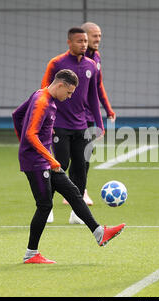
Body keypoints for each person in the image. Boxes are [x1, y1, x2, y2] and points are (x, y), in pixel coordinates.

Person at [12, 69, 124, 264]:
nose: (69, 97)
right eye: (69, 92)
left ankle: (99, 233)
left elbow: (16, 115)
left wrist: (27, 145)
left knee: (72, 191)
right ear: (60, 85)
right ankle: (31, 254)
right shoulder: (42, 102)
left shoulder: (41, 95)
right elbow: (31, 134)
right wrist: (47, 157)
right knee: (45, 205)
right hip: (37, 162)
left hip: (43, 159)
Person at [41, 27, 105, 224]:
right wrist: (46, 119)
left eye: (85, 41)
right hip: (59, 124)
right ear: (69, 42)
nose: (84, 44)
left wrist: (100, 123)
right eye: (80, 41)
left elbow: (93, 97)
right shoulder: (56, 63)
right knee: (60, 165)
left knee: (81, 168)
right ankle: (47, 208)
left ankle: (76, 214)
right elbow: (44, 91)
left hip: (82, 125)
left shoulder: (91, 66)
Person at [65, 22, 116, 207]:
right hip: (71, 117)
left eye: (99, 36)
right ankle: (73, 191)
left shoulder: (96, 58)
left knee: (84, 155)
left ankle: (79, 191)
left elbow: (97, 87)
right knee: (70, 157)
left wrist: (107, 109)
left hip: (87, 117)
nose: (97, 40)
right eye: (94, 36)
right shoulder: (74, 59)